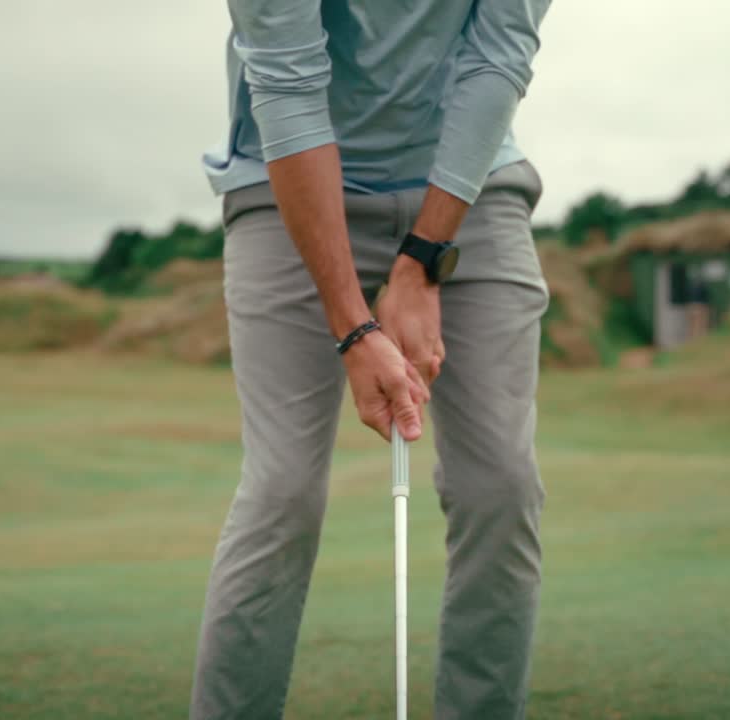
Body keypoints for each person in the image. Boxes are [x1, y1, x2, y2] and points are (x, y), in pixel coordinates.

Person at [190, 1, 553, 718]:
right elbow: (290, 87)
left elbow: (498, 56)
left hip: (470, 183)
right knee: (282, 492)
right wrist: (354, 328)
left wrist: (421, 261)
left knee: (502, 486)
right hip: (286, 185)